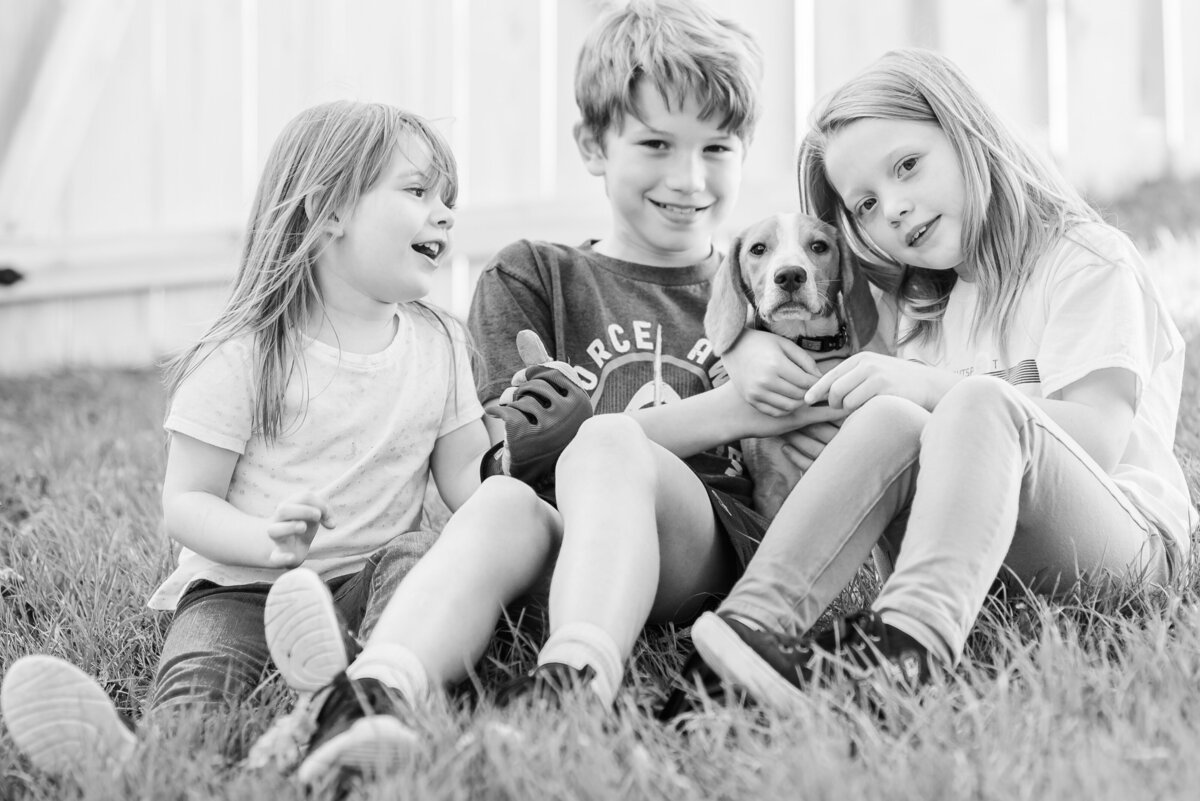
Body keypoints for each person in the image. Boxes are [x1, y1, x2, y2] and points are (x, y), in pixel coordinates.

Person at [258, 0, 848, 787]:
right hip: (550, 533)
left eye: (717, 146)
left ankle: (570, 689)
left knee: (605, 440)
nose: (689, 177)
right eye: (655, 144)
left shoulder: (762, 279)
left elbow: (830, 406)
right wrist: (550, 438)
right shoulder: (534, 275)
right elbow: (497, 471)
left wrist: (736, 403)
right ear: (592, 146)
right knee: (505, 506)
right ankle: (369, 695)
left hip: (696, 546)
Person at [680, 48, 1197, 712]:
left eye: (907, 166)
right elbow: (791, 305)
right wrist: (750, 345)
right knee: (891, 419)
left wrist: (926, 387)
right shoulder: (924, 309)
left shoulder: (1086, 260)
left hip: (1122, 548)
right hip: (981, 568)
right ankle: (748, 632)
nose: (892, 207)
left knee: (974, 401)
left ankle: (904, 650)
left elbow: (1096, 437)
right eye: (864, 205)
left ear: (966, 133)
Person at [0, 100, 496, 777]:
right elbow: (187, 501)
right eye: (417, 192)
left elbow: (468, 478)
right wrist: (266, 539)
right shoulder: (246, 351)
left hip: (362, 587)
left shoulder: (441, 343)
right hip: (240, 586)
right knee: (202, 678)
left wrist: (520, 448)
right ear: (329, 210)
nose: (443, 213)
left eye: (448, 199)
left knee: (417, 556)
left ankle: (347, 710)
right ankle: (147, 764)